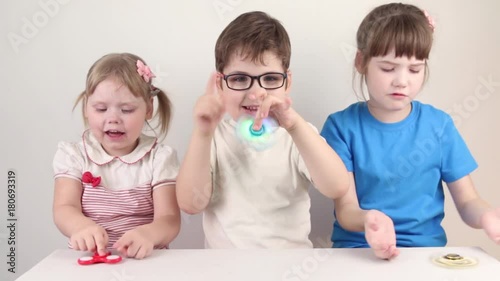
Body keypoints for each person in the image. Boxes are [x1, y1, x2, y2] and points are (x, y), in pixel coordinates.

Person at [321, 3, 500, 260]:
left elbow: (468, 202)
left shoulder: (439, 126)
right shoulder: (341, 127)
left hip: (425, 255)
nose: (402, 81)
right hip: (358, 253)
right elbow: (346, 210)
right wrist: (369, 221)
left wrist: (486, 216)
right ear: (361, 62)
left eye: (415, 69)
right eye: (388, 68)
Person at [176, 11, 349, 248]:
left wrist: (294, 125)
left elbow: (337, 186)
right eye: (239, 79)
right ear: (220, 84)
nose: (256, 92)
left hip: (289, 267)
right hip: (225, 268)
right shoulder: (212, 138)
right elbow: (190, 204)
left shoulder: (297, 135)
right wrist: (202, 133)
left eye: (269, 79)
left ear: (287, 83)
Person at [52, 53, 181, 259]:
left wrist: (148, 234)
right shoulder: (74, 155)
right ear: (86, 107)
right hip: (91, 262)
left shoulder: (159, 158)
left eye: (127, 110)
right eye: (101, 108)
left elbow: (170, 219)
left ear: (148, 108)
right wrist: (80, 226)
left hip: (146, 263)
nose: (113, 119)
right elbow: (64, 207)